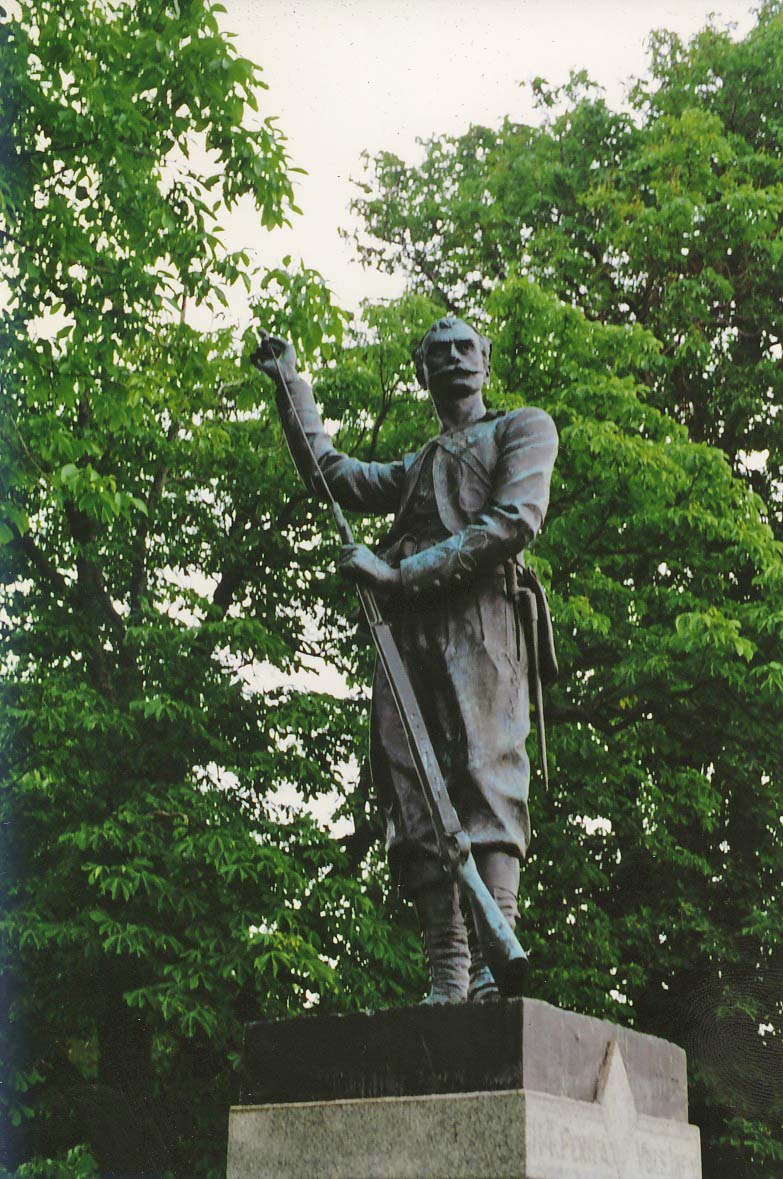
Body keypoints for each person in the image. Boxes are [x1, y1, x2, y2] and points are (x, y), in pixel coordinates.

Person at [254, 316, 558, 1003]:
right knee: (411, 790)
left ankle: (490, 963)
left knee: (485, 773)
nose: (452, 358)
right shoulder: (419, 462)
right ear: (418, 372)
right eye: (436, 352)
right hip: (407, 634)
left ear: (485, 359)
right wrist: (290, 385)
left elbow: (512, 520)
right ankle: (446, 974)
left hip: (481, 619)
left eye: (465, 347)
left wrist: (398, 575)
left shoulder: (523, 428)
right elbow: (333, 476)